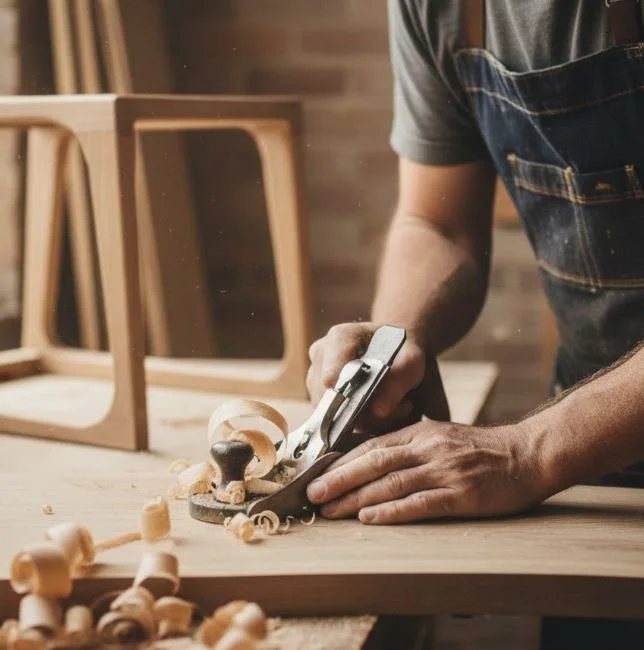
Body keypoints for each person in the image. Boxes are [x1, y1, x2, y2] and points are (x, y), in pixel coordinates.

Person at [304, 2, 644, 647]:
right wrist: (391, 341)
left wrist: (528, 451)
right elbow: (438, 223)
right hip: (590, 458)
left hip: (560, 444)